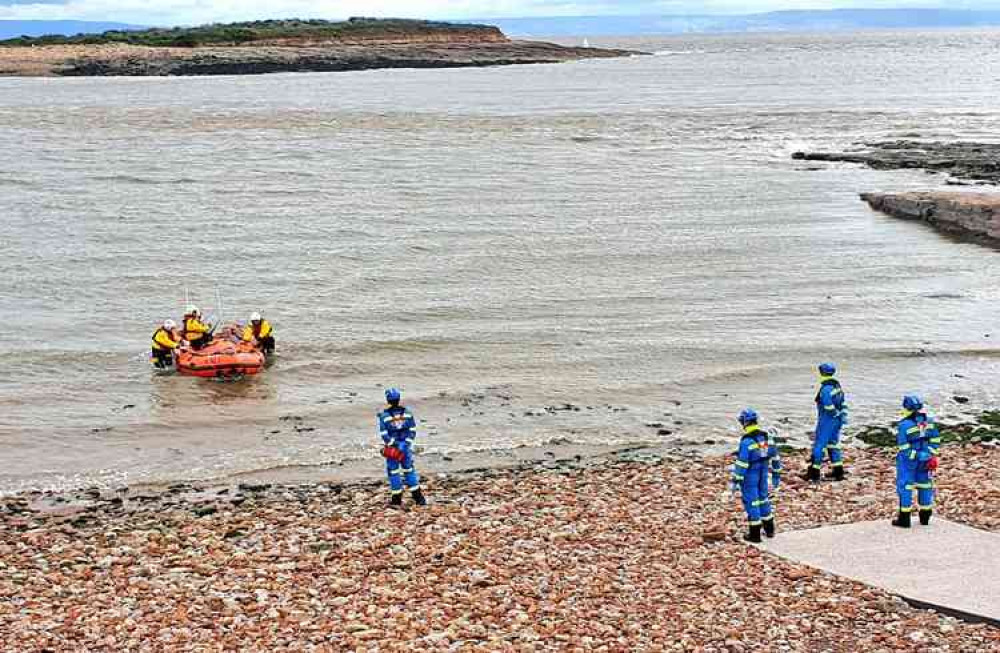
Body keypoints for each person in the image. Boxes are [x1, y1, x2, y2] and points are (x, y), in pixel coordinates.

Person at [730, 408, 782, 542]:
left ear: (744, 423)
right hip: (763, 471)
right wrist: (776, 474)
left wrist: (736, 480)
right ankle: (770, 529)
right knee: (763, 498)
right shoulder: (767, 437)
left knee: (751, 501)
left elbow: (742, 462)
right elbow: (775, 457)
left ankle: (755, 535)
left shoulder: (747, 441)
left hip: (750, 474)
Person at [893, 395, 942, 528]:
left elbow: (903, 446)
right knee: (925, 485)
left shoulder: (904, 425)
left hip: (909, 461)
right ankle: (925, 517)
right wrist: (930, 454)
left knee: (905, 487)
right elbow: (936, 440)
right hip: (926, 460)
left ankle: (904, 519)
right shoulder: (929, 422)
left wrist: (916, 455)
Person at [377, 388, 427, 508]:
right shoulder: (408, 413)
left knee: (393, 473)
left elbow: (384, 435)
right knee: (409, 471)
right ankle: (419, 498)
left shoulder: (384, 416)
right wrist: (405, 444)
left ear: (387, 400)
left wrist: (394, 444)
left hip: (393, 451)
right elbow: (412, 430)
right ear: (399, 399)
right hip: (405, 448)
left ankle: (396, 500)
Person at [804, 362, 848, 482]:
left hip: (827, 421)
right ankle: (838, 472)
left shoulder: (826, 388)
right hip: (837, 421)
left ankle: (814, 473)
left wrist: (834, 414)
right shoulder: (837, 386)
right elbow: (843, 403)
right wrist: (841, 416)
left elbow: (828, 405)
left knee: (819, 445)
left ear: (821, 372)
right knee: (833, 444)